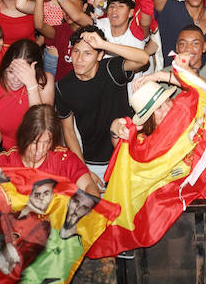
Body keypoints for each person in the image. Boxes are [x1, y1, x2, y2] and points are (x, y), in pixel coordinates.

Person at [54, 25, 151, 180]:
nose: (79, 59)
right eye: (76, 51)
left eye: (87, 53)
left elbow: (143, 58)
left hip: (125, 152)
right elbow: (69, 132)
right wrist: (83, 170)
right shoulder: (63, 86)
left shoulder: (111, 69)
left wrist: (103, 44)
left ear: (100, 55)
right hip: (92, 162)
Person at [0, 104, 100, 196]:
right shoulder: (7, 162)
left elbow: (88, 185)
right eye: (35, 142)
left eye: (47, 142)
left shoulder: (64, 160)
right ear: (24, 136)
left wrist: (88, 207)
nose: (41, 150)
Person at [0, 40, 53, 150]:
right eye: (11, 71)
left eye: (22, 74)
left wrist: (32, 86)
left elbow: (41, 131)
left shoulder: (44, 82)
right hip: (6, 155)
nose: (15, 79)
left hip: (39, 149)